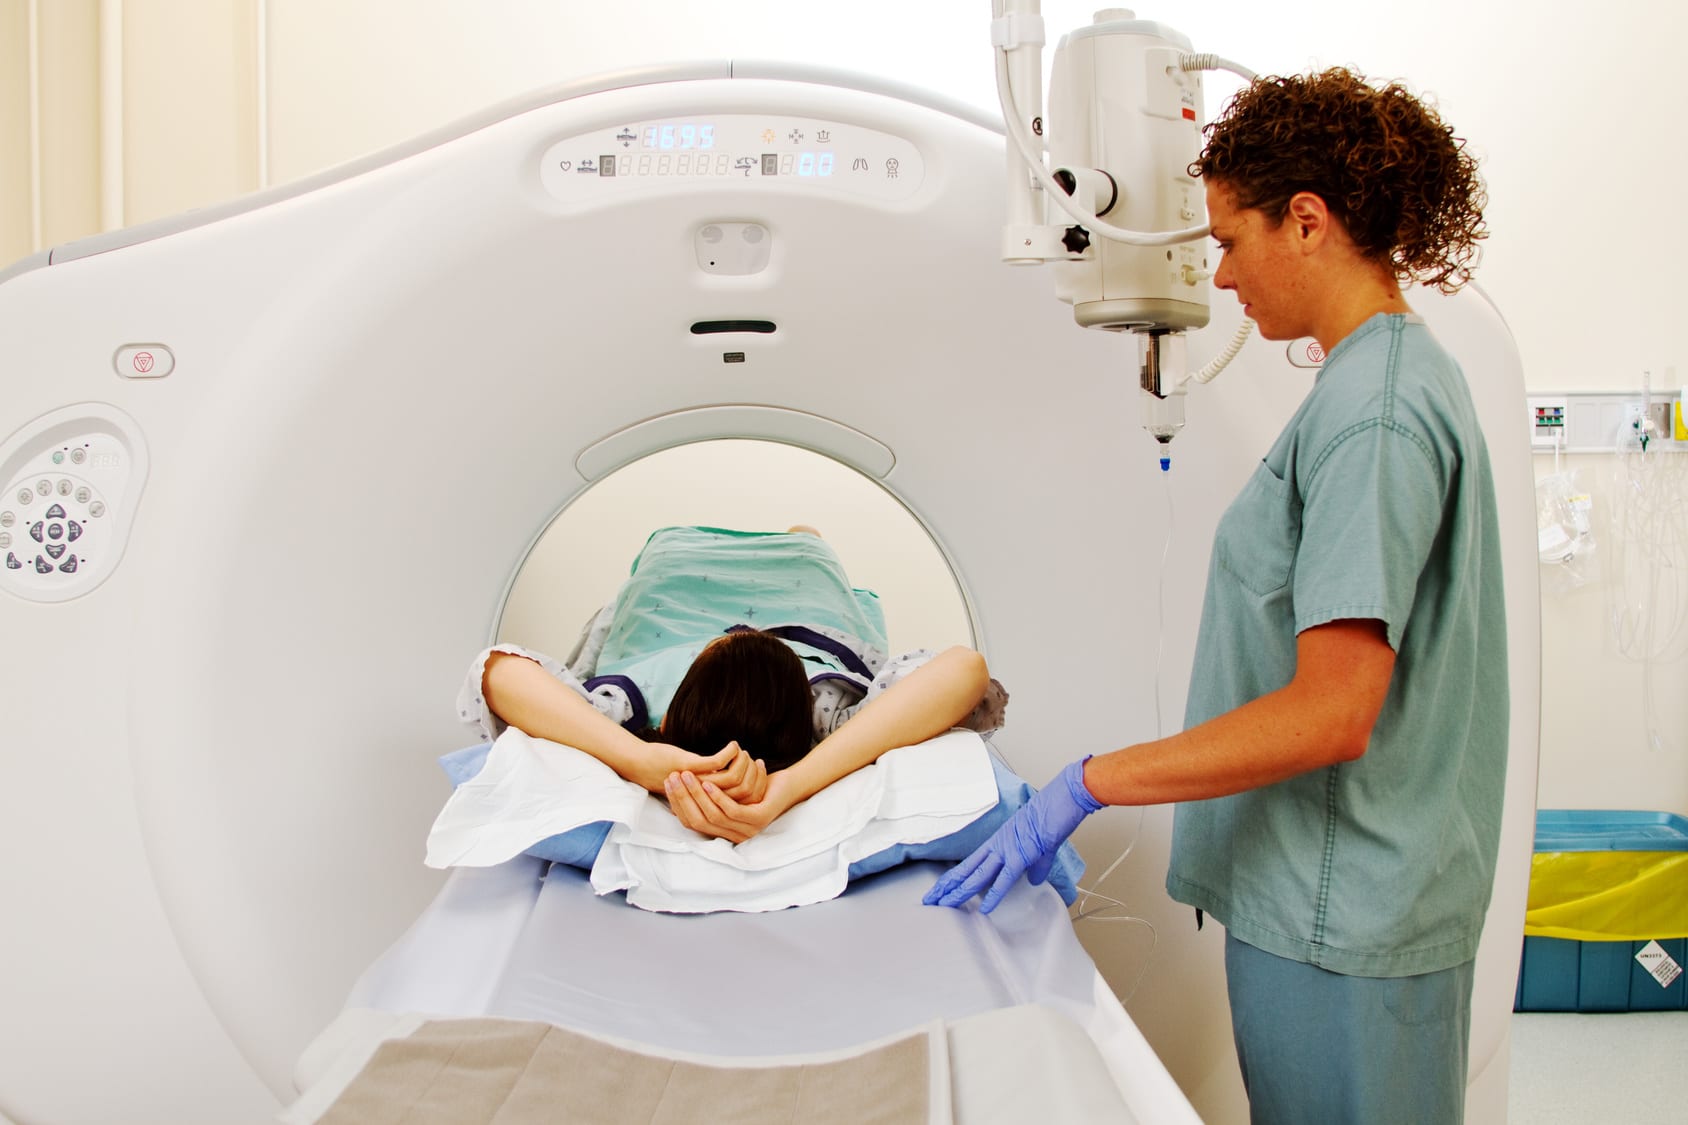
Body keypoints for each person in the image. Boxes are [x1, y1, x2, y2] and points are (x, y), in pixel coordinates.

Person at [926, 68, 1503, 1124]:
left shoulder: (1372, 415)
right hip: (1334, 898)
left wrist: (1089, 783)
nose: (1221, 276)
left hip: (1346, 914)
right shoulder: (1377, 382)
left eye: (1229, 241)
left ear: (1306, 222)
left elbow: (1335, 709)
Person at [462, 524, 1002, 843]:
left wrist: (640, 758)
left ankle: (736, 539)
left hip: (671, 587)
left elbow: (497, 671)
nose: (735, 629)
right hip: (805, 589)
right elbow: (965, 667)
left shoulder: (629, 715)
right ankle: (800, 540)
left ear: (668, 716)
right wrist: (792, 782)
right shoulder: (828, 717)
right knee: (807, 540)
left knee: (670, 540)